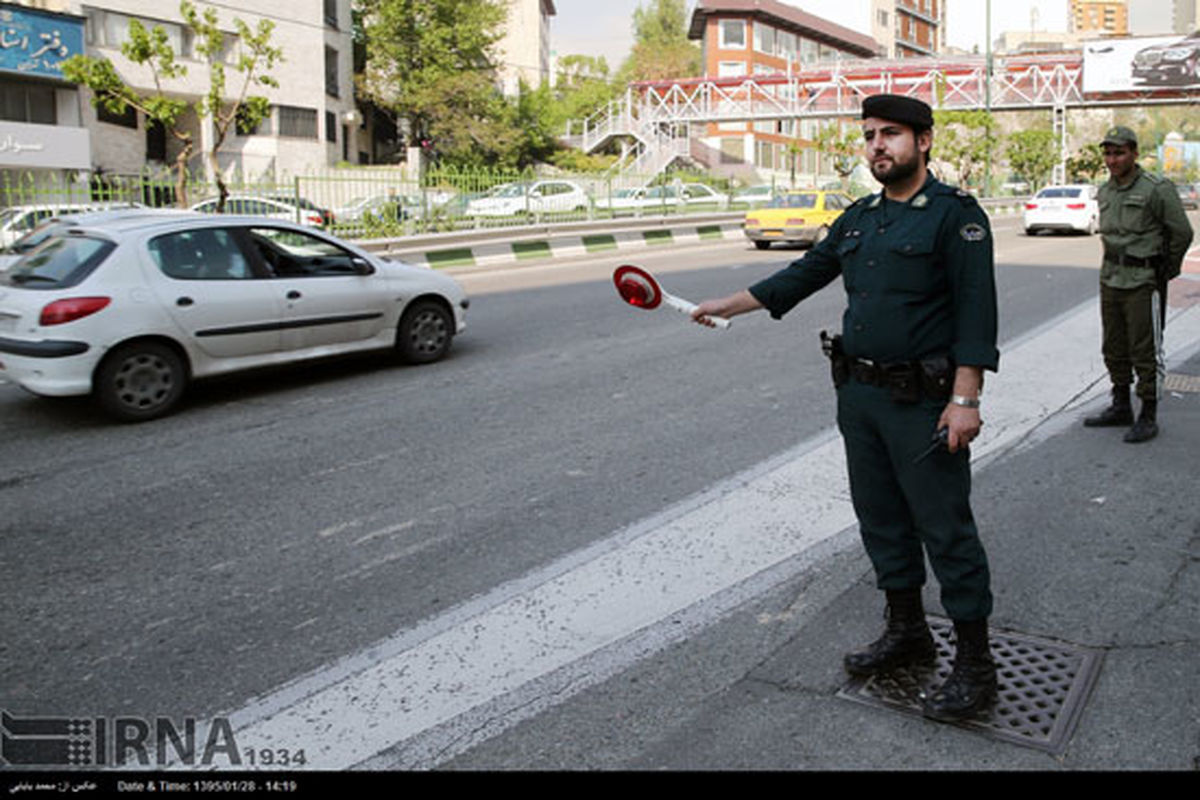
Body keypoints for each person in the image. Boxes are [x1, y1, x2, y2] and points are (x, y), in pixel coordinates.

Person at [692, 94, 999, 722]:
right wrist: (730, 303)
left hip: (925, 401)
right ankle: (908, 630)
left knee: (944, 528)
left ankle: (975, 663)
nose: (877, 146)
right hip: (859, 397)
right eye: (869, 136)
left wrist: (965, 398)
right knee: (881, 519)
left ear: (924, 141)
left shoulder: (954, 217)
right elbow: (802, 274)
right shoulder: (858, 218)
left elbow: (976, 311)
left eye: (891, 134)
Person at [1084, 126, 1194, 443]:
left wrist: (1165, 269)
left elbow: (1182, 233)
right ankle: (1121, 405)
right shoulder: (1105, 191)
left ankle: (1148, 414)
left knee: (1144, 351)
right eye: (1107, 153)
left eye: (1118, 152)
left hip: (1144, 281)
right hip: (1111, 279)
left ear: (1133, 153)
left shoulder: (1156, 189)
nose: (1112, 159)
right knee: (1114, 348)